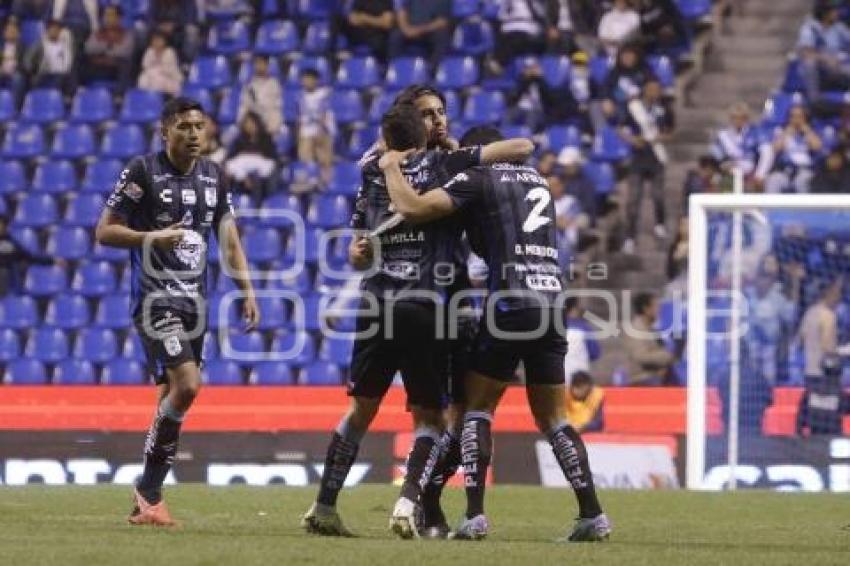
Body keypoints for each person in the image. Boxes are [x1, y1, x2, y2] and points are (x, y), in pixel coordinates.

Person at [301, 106, 534, 539]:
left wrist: (389, 162)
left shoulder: (372, 171)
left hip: (374, 306)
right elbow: (521, 147)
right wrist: (461, 151)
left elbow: (363, 242)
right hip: (424, 306)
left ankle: (324, 505)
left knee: (360, 410)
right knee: (432, 418)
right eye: (431, 117)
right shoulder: (449, 165)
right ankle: (408, 504)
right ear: (423, 132)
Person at [378, 124, 610, 542]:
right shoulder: (537, 179)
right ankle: (592, 514)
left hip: (511, 300)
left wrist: (392, 169)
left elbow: (414, 207)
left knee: (477, 409)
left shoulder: (479, 176)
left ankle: (474, 515)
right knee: (553, 418)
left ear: (479, 152)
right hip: (553, 301)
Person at [95, 97, 260, 526]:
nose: (193, 134)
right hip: (155, 300)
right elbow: (105, 231)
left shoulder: (214, 176)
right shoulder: (142, 171)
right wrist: (153, 238)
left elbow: (229, 239)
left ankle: (147, 503)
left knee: (170, 400)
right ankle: (148, 489)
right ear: (164, 132)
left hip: (196, 304)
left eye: (199, 126)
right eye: (184, 126)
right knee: (188, 385)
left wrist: (248, 290)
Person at [621, 78, 674, 253]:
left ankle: (660, 224)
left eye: (656, 89)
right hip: (638, 158)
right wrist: (633, 139)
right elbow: (621, 128)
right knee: (633, 201)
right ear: (645, 90)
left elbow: (670, 131)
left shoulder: (664, 109)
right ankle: (629, 237)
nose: (654, 92)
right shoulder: (633, 108)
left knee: (658, 195)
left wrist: (660, 138)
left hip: (657, 156)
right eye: (650, 89)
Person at [710, 102, 771, 191]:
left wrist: (759, 174)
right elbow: (715, 152)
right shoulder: (723, 135)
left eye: (741, 118)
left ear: (746, 118)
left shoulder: (755, 133)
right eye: (734, 117)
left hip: (751, 171)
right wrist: (725, 164)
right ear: (730, 118)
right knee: (716, 180)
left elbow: (767, 153)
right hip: (729, 170)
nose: (738, 121)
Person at [797, 1, 850, 102]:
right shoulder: (810, 28)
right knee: (809, 64)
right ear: (825, 13)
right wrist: (826, 59)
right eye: (833, 11)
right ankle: (814, 100)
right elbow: (806, 52)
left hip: (838, 66)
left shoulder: (838, 27)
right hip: (820, 68)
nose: (837, 13)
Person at [765, 105, 824, 194]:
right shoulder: (781, 131)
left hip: (805, 170)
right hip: (785, 170)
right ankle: (770, 208)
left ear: (805, 118)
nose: (796, 119)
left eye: (799, 116)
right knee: (773, 180)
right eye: (793, 116)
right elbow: (775, 149)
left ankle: (805, 208)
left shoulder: (810, 132)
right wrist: (786, 134)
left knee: (802, 181)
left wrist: (807, 132)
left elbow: (817, 147)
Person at [224, 112, 278, 203]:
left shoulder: (266, 139)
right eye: (247, 123)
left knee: (264, 173)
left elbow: (271, 158)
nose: (250, 126)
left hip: (261, 172)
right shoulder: (239, 140)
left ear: (257, 123)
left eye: (252, 123)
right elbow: (232, 160)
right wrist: (243, 176)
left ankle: (260, 203)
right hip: (242, 172)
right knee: (229, 169)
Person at [623, 292, 675, 386]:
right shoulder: (636, 329)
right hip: (642, 380)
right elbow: (640, 356)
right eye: (656, 306)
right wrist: (667, 355)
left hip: (656, 377)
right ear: (646, 309)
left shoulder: (651, 328)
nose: (659, 310)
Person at [81, 5, 133, 94]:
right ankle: (76, 92)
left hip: (114, 67)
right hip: (97, 66)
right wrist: (109, 46)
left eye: (111, 15)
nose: (108, 18)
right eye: (106, 15)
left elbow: (124, 51)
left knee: (126, 63)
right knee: (79, 58)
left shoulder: (126, 34)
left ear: (119, 18)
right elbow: (89, 48)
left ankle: (119, 95)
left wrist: (102, 49)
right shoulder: (98, 32)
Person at [297, 68, 335, 187]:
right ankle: (308, 178)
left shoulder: (324, 94)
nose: (306, 82)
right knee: (304, 148)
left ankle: (326, 180)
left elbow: (325, 115)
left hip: (323, 130)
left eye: (309, 79)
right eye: (305, 79)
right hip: (307, 131)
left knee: (323, 148)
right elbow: (300, 118)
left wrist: (321, 130)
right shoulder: (300, 97)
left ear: (316, 80)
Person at [389, 0, 451, 72]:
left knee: (442, 36)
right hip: (410, 28)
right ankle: (395, 69)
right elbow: (401, 12)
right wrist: (407, 30)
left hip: (430, 30)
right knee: (396, 36)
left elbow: (441, 22)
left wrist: (421, 30)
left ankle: (432, 71)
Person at [0, 215, 55, 296]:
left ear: (5, 227)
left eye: (1, 224)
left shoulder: (10, 244)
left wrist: (52, 261)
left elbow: (28, 257)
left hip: (4, 280)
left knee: (3, 273)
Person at [796, 353, 850, 436]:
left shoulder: (810, 390)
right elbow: (845, 410)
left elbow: (800, 418)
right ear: (840, 371)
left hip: (813, 438)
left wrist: (800, 436)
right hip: (833, 437)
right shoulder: (841, 395)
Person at [25, 19, 76, 96]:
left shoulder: (65, 46)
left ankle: (66, 101)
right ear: (47, 31)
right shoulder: (39, 45)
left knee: (69, 77)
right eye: (52, 29)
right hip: (43, 75)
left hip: (61, 75)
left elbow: (69, 64)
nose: (54, 31)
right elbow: (27, 60)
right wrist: (33, 71)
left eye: (57, 29)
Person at [493, 0, 550, 69]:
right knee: (510, 40)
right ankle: (500, 65)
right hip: (509, 28)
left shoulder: (533, 2)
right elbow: (498, 13)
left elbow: (540, 15)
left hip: (529, 28)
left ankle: (534, 67)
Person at [238, 55, 283, 135]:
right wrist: (242, 122)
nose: (259, 66)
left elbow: (277, 108)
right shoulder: (249, 85)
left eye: (262, 63)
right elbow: (244, 106)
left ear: (267, 65)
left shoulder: (274, 84)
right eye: (257, 63)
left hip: (269, 125)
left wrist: (272, 127)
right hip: (252, 125)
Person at [563, 298, 601, 384]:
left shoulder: (554, 329)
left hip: (558, 378)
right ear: (574, 308)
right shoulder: (585, 328)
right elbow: (595, 353)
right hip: (580, 379)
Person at [137, 31, 183, 96]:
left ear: (165, 41)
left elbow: (168, 69)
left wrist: (156, 70)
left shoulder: (170, 52)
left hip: (169, 77)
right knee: (143, 78)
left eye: (159, 40)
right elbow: (145, 66)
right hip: (152, 76)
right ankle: (148, 99)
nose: (156, 42)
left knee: (158, 79)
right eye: (154, 40)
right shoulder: (149, 51)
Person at [0, 18, 25, 101]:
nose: (11, 32)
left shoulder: (23, 48)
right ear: (4, 33)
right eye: (9, 30)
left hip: (15, 73)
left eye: (14, 31)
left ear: (18, 34)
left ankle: (14, 108)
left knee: (18, 79)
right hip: (2, 72)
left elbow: (25, 64)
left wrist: (15, 69)